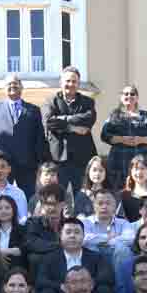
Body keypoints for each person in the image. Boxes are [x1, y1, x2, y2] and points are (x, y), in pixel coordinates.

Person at [0, 73, 49, 201]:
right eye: (9, 84)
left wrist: (41, 161)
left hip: (27, 163)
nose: (12, 85)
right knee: (1, 197)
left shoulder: (33, 110)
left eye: (16, 83)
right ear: (4, 88)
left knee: (28, 197)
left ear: (21, 88)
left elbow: (39, 137)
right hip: (2, 163)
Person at [43, 66, 98, 201]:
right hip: (58, 159)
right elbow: (49, 123)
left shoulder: (87, 102)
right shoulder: (50, 101)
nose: (70, 84)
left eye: (74, 82)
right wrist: (72, 128)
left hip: (82, 158)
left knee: (83, 197)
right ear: (61, 82)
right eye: (68, 81)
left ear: (78, 84)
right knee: (57, 197)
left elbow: (89, 119)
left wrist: (62, 119)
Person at [34, 217, 116, 293]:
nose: (72, 236)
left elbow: (108, 276)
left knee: (104, 290)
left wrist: (86, 285)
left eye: (77, 232)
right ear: (60, 236)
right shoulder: (49, 258)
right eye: (68, 232)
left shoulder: (96, 256)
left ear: (83, 236)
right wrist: (60, 286)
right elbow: (41, 280)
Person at [100, 84, 147, 190]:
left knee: (142, 188)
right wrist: (122, 139)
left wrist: (140, 140)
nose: (129, 96)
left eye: (132, 94)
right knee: (117, 190)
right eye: (126, 94)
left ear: (137, 97)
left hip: (141, 158)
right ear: (121, 97)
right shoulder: (114, 115)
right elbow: (104, 135)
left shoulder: (146, 116)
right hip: (118, 159)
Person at [80, 187, 131, 258]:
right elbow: (84, 238)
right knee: (91, 248)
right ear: (94, 206)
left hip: (115, 257)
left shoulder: (123, 223)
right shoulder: (85, 222)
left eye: (108, 203)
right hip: (94, 258)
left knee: (123, 249)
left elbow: (130, 238)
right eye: (100, 203)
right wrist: (107, 237)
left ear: (114, 206)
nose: (104, 207)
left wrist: (108, 241)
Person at [22, 182, 66, 263]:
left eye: (55, 203)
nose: (51, 208)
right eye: (48, 204)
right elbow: (31, 243)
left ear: (63, 204)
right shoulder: (33, 223)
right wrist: (61, 246)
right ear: (42, 205)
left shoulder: (69, 224)